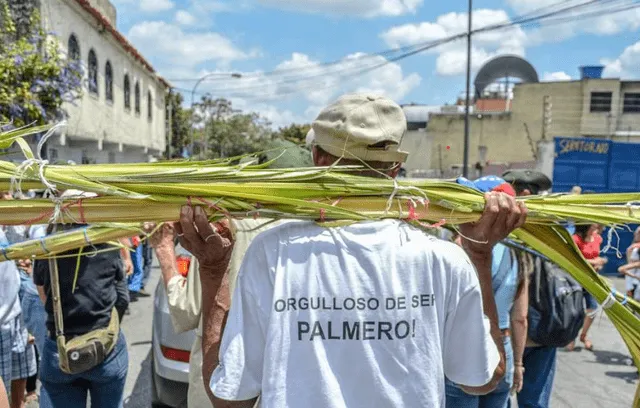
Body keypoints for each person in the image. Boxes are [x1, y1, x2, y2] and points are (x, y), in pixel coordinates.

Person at [178, 94, 527, 407]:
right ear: (395, 167)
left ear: (317, 158)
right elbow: (481, 380)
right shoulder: (444, 258)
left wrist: (213, 270)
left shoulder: (274, 252)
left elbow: (230, 400)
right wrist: (479, 256)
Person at [149, 218, 286, 407]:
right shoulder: (304, 226)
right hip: (283, 377)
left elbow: (186, 310)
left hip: (223, 374)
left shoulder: (221, 229)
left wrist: (163, 248)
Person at [445, 176, 529, 408]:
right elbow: (520, 318)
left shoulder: (457, 249)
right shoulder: (519, 255)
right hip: (505, 347)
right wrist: (518, 364)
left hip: (465, 348)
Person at [33, 220, 130, 408]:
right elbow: (123, 298)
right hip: (105, 349)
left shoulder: (46, 249)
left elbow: (43, 295)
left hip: (60, 349)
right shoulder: (108, 246)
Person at [503, 169, 561, 408]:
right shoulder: (552, 231)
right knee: (535, 402)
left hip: (515, 332)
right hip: (544, 330)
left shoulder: (504, 231)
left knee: (499, 398)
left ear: (523, 194)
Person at [567, 223, 606, 351]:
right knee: (576, 310)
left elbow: (595, 255)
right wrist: (594, 262)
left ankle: (583, 335)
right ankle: (571, 337)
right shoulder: (575, 239)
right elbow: (574, 259)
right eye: (592, 227)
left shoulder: (597, 238)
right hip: (577, 278)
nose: (595, 230)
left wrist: (599, 263)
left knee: (592, 308)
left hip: (592, 278)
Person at [619, 227, 640, 301]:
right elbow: (629, 262)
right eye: (637, 232)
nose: (637, 234)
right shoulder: (633, 247)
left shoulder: (635, 247)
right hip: (632, 274)